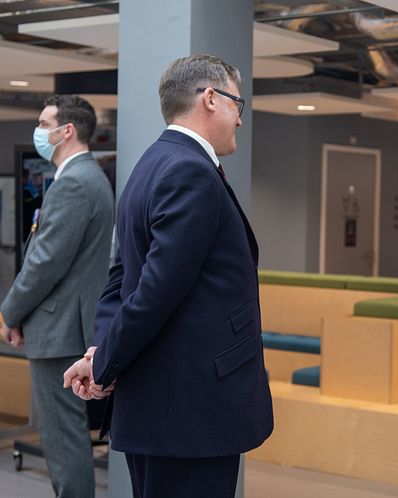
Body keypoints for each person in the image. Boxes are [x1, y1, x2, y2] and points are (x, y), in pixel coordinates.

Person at [63, 54, 273, 498]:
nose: (240, 119)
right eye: (239, 104)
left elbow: (123, 278)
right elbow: (156, 291)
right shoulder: (190, 171)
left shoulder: (151, 163)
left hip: (166, 407)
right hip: (190, 412)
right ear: (211, 100)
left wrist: (102, 350)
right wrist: (104, 363)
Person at [0, 95, 114, 498]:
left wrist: (9, 312)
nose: (39, 130)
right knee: (66, 438)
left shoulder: (75, 183)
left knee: (63, 441)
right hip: (67, 326)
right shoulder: (86, 178)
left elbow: (45, 262)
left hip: (61, 330)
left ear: (67, 130)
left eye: (44, 122)